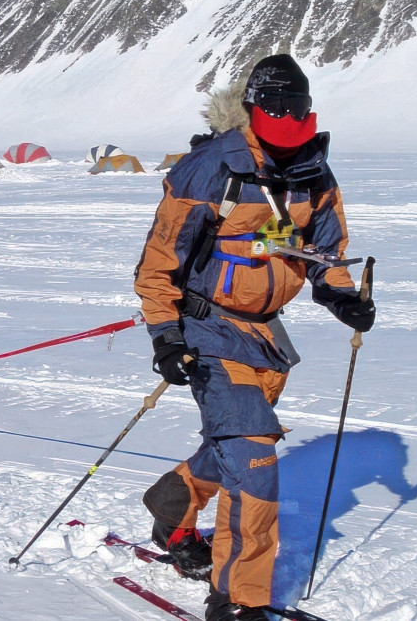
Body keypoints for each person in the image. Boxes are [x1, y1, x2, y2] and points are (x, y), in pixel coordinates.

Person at [133, 54, 375, 620]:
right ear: (252, 110)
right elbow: (159, 261)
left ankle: (174, 500)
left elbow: (324, 249)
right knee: (255, 461)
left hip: (265, 339)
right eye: (277, 115)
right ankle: (239, 600)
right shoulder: (208, 167)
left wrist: (341, 295)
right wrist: (165, 336)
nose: (290, 130)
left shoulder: (314, 167)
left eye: (299, 114)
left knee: (239, 448)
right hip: (207, 329)